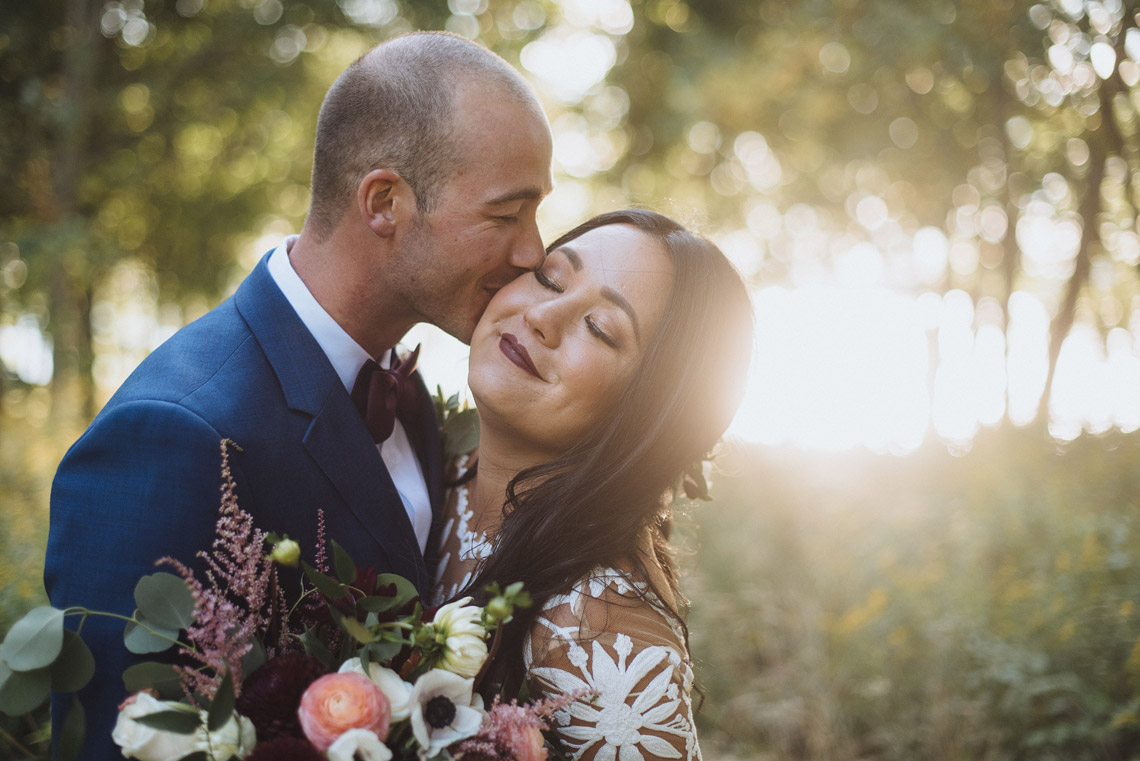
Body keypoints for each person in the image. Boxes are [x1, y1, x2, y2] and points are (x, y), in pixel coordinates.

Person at [43, 32, 552, 759]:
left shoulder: (407, 396)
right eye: (507, 215)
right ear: (384, 202)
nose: (533, 249)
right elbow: (113, 741)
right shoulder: (173, 436)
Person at [433, 209, 754, 761]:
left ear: (648, 415)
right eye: (550, 276)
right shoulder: (437, 470)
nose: (542, 315)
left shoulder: (599, 633)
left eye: (601, 329)